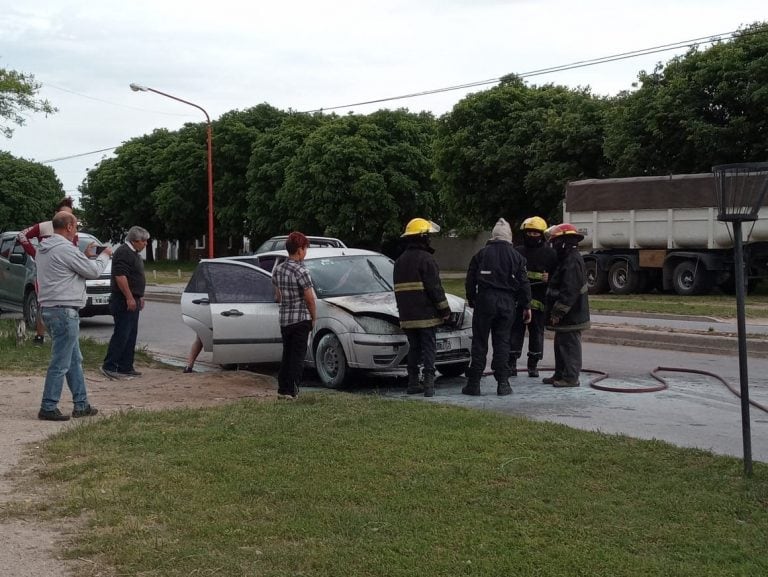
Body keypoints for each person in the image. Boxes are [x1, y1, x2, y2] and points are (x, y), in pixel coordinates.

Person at [35, 211, 112, 421]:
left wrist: (84, 257)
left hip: (49, 308)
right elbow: (93, 272)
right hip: (64, 311)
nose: (76, 230)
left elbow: (66, 271)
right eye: (76, 227)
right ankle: (48, 406)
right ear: (69, 227)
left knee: (73, 359)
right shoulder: (65, 249)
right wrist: (104, 254)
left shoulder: (43, 249)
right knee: (60, 362)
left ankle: (81, 403)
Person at [463, 218, 531, 396]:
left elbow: (470, 279)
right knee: (502, 342)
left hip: (485, 301)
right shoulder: (517, 257)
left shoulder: (481, 254)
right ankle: (503, 383)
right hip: (507, 303)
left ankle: (474, 383)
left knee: (479, 342)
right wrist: (526, 306)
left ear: (493, 236)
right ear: (509, 237)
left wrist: (472, 298)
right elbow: (524, 284)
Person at [393, 218, 451, 398]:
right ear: (423, 237)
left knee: (414, 348)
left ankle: (412, 383)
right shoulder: (427, 259)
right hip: (426, 315)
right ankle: (428, 385)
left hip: (407, 316)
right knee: (428, 348)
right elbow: (435, 289)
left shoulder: (399, 261)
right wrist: (445, 311)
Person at [17, 197, 80, 345]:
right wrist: (34, 253)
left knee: (64, 303)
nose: (67, 218)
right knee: (44, 302)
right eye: (64, 214)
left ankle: (64, 334)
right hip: (46, 271)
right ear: (56, 214)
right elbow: (21, 235)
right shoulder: (44, 226)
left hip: (64, 272)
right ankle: (40, 335)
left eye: (70, 216)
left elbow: (75, 251)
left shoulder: (72, 231)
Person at [509, 216, 558, 378]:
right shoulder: (517, 252)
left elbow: (559, 276)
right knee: (515, 333)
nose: (532, 235)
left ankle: (533, 365)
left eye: (535, 233)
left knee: (536, 333)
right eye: (529, 232)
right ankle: (511, 364)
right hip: (518, 300)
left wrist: (549, 278)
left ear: (542, 234)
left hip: (539, 300)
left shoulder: (551, 254)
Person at [543, 223, 591, 387]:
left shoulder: (572, 260)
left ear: (564, 241)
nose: (553, 245)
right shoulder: (567, 258)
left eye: (555, 242)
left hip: (571, 314)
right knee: (561, 344)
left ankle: (570, 378)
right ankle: (560, 374)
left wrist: (557, 313)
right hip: (568, 315)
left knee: (569, 346)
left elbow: (569, 290)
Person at [101, 226, 150, 380]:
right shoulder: (123, 252)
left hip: (134, 297)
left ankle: (126, 366)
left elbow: (136, 277)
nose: (146, 244)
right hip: (122, 299)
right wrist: (129, 297)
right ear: (135, 241)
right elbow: (120, 276)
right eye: (144, 241)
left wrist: (139, 296)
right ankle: (110, 365)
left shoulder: (134, 254)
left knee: (130, 334)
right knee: (122, 333)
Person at [272, 231, 316, 399]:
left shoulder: (278, 269)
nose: (306, 252)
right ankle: (292, 390)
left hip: (284, 319)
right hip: (300, 319)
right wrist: (314, 318)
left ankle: (282, 389)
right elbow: (310, 299)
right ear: (299, 250)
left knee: (287, 354)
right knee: (297, 356)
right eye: (305, 249)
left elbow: (277, 296)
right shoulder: (301, 271)